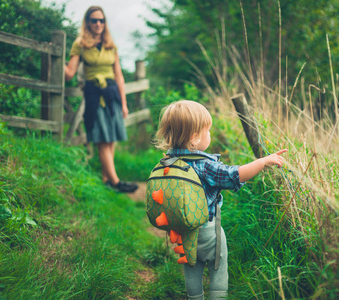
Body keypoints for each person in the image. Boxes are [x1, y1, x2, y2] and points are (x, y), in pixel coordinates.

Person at [155, 100, 287, 300]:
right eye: (207, 131)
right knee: (218, 266)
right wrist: (262, 162)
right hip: (208, 232)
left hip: (182, 230)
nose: (210, 134)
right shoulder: (205, 166)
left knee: (191, 267)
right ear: (194, 139)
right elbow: (233, 175)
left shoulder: (167, 162)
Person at [64, 6, 138, 193]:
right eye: (94, 20)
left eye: (101, 20)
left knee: (111, 137)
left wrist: (124, 103)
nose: (98, 24)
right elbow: (69, 74)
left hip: (112, 93)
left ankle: (107, 179)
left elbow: (119, 75)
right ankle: (116, 182)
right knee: (102, 138)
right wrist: (54, 58)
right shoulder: (80, 44)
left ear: (105, 23)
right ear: (87, 22)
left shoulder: (110, 45)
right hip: (93, 94)